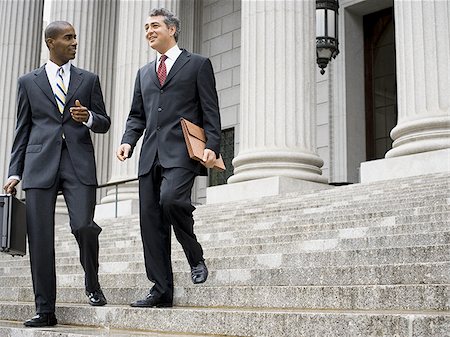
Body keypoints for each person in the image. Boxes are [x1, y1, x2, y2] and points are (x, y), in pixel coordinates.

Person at [3, 21, 110, 327]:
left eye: (75, 37)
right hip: (39, 165)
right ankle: (45, 309)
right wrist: (15, 172)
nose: (75, 42)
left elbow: (104, 121)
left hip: (79, 163)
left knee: (84, 225)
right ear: (51, 42)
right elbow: (21, 129)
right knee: (39, 238)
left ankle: (92, 280)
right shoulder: (28, 82)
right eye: (68, 37)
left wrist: (88, 117)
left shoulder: (88, 79)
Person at [116, 8, 221, 308]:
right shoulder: (144, 73)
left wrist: (212, 144)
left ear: (172, 29)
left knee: (173, 200)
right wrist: (127, 141)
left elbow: (210, 109)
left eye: (155, 26)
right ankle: (161, 290)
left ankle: (194, 255)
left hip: (182, 152)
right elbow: (137, 116)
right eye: (146, 26)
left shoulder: (198, 64)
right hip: (149, 155)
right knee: (151, 224)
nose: (149, 31)